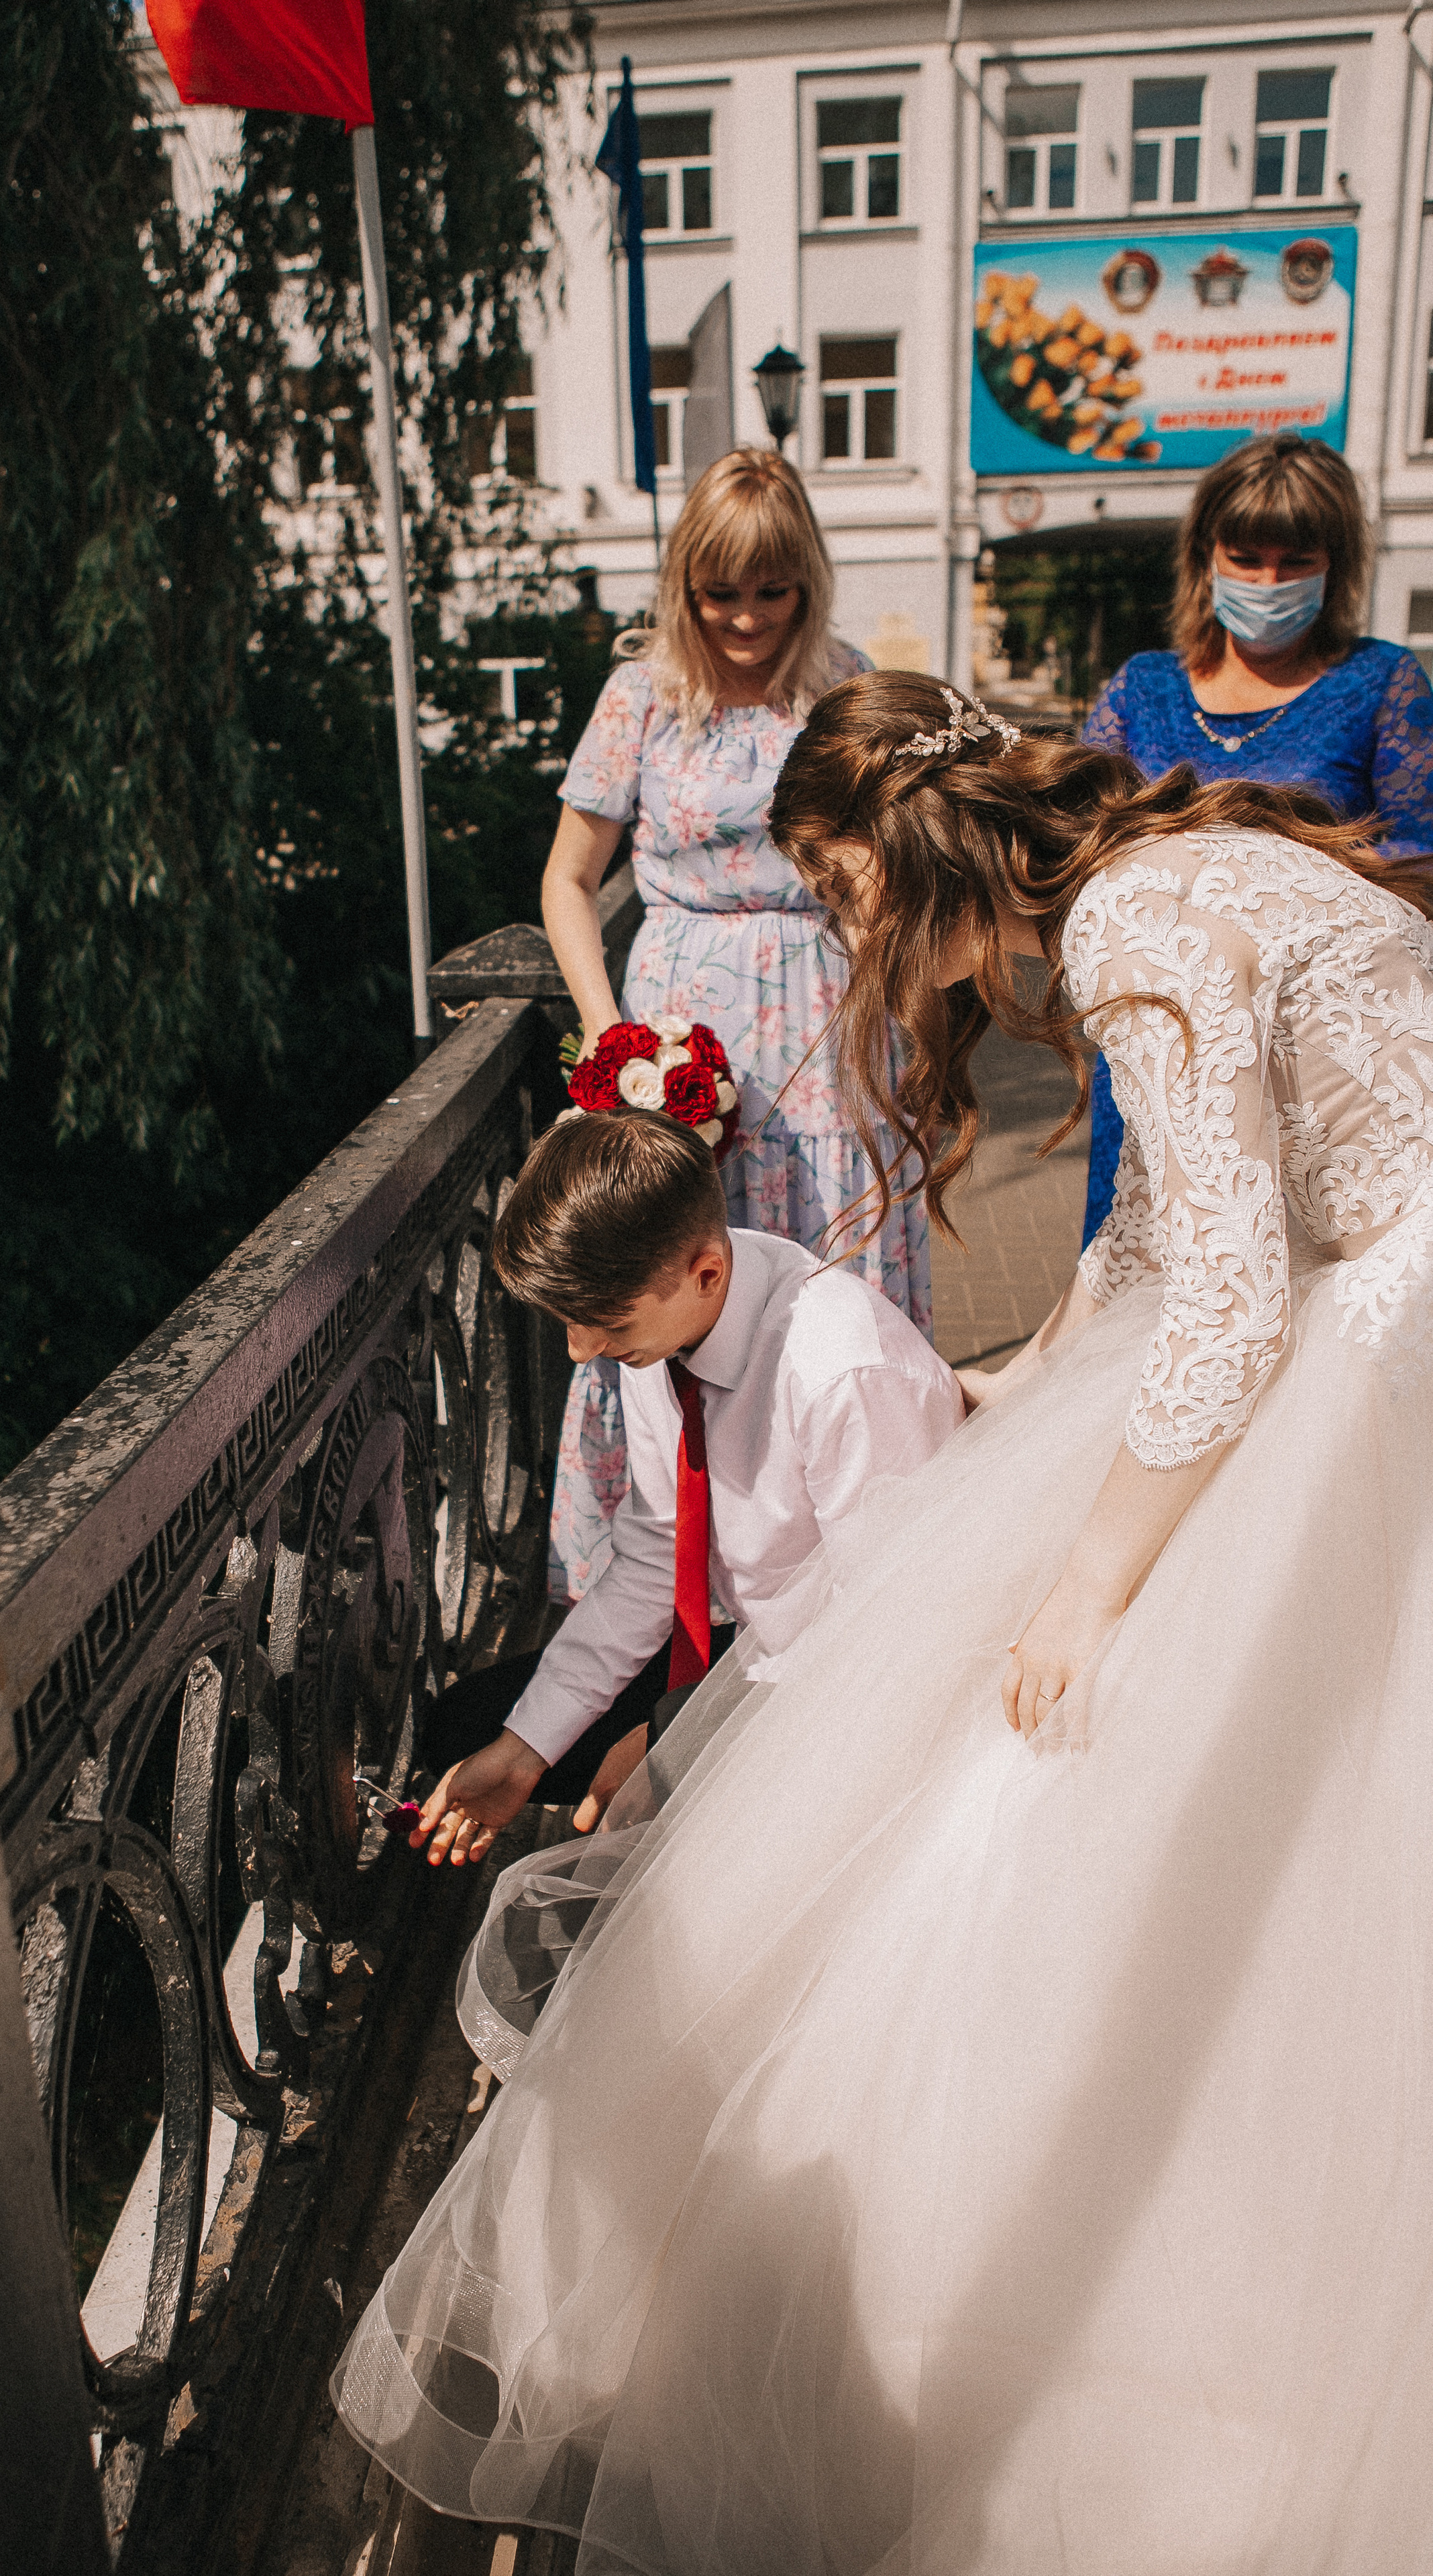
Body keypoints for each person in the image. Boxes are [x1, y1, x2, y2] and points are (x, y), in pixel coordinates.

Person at [333, 670, 1433, 2572]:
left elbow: (1244, 1296)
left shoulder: (1143, 919)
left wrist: (1084, 1590)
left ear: (909, 851)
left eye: (838, 891)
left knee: (1158, 1797)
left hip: (1371, 1344)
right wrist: (1035, 1374)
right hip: (1341, 1297)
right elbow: (1168, 1228)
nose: (842, 937)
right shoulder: (1170, 870)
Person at [541, 445, 928, 1607]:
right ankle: (671, 1559)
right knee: (670, 1278)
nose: (748, 617)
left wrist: (888, 1003)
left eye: (774, 590)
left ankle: (852, 1546)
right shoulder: (641, 698)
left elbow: (892, 863)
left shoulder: (844, 684)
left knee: (831, 1275)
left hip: (829, 1027)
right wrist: (615, 1045)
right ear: (685, 585)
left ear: (807, 580)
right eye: (721, 592)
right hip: (681, 1039)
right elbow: (567, 881)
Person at [411, 1107, 961, 1865]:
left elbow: (893, 1642)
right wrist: (523, 1747)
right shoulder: (670, 1322)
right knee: (466, 1732)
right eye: (565, 1322)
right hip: (759, 1646)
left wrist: (677, 1739)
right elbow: (655, 1554)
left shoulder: (842, 1374)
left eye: (600, 1320)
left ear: (704, 1271)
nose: (581, 1351)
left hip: (854, 1685)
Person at [1080, 432, 1433, 1242]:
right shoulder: (1144, 688)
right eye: (1245, 557)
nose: (1267, 582)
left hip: (1314, 1055)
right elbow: (1079, 841)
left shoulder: (1379, 681)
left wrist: (1297, 876)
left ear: (1334, 564)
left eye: (1293, 560)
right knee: (1148, 1271)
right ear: (1205, 556)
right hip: (1160, 1036)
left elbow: (1418, 862)